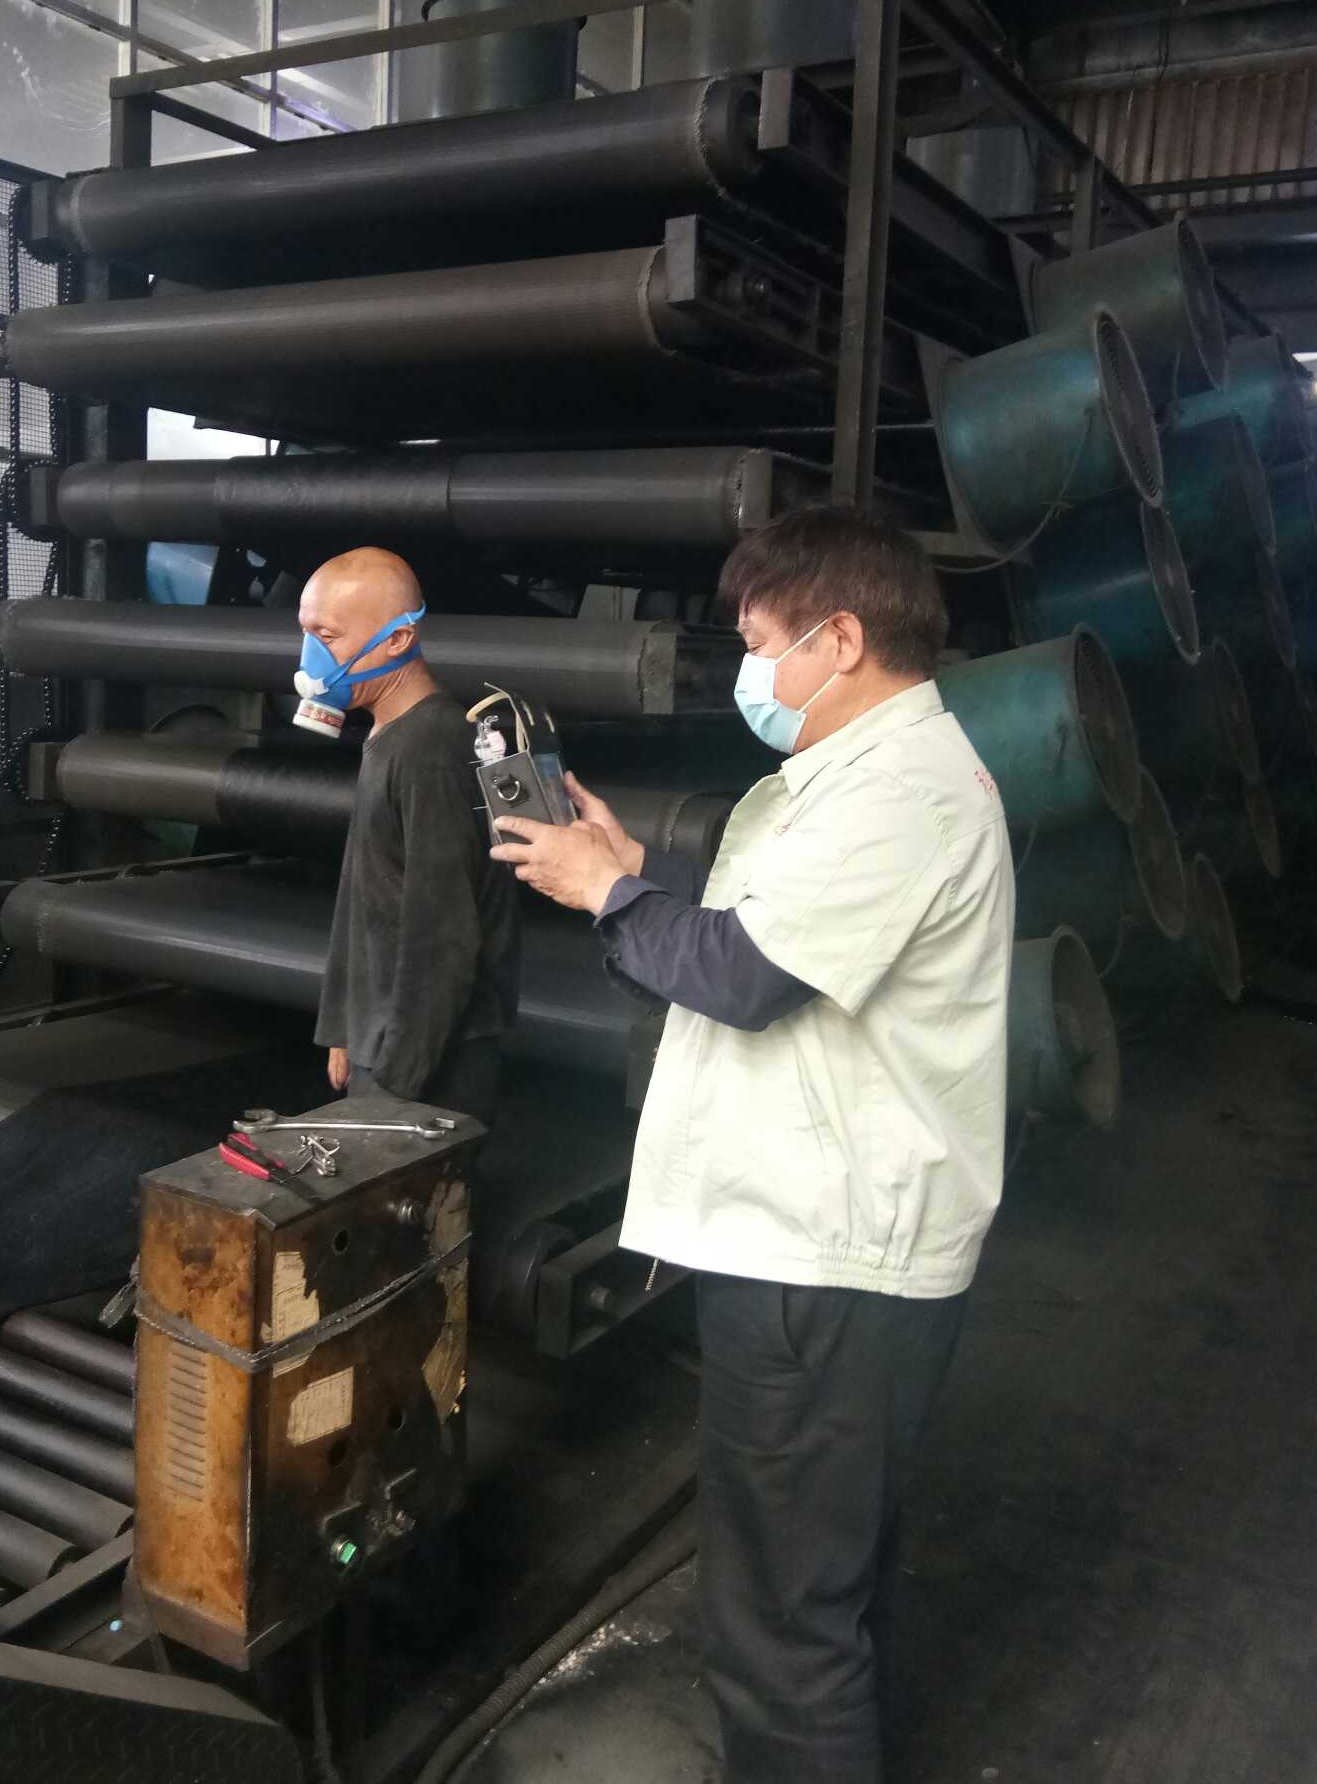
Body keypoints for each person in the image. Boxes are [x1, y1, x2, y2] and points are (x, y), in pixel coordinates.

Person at [490, 505, 1014, 1784]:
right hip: (817, 1250)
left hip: (827, 1263)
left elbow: (745, 975)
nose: (749, 670)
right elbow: (739, 941)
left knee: (782, 1626)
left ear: (842, 640)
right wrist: (627, 873)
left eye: (761, 641)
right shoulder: (841, 779)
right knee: (820, 1584)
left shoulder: (900, 792)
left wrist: (605, 891)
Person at [298, 547, 519, 1126]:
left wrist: (395, 1085)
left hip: (429, 1059)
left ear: (397, 639)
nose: (310, 656)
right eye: (306, 633)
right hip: (384, 1039)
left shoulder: (429, 750)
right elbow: (366, 891)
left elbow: (444, 935)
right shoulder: (390, 734)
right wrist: (346, 1027)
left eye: (327, 636)